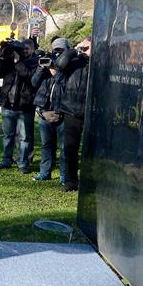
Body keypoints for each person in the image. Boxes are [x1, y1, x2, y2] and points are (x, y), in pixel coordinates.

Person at [0, 38, 38, 172]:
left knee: (24, 137)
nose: (24, 51)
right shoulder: (9, 61)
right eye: (22, 49)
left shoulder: (34, 62)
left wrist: (18, 61)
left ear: (32, 50)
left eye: (26, 49)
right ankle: (6, 159)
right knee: (8, 135)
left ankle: (23, 162)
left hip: (25, 105)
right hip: (8, 103)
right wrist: (3, 58)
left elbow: (28, 75)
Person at [53, 36, 91, 192]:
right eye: (85, 47)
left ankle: (89, 179)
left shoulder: (101, 61)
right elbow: (59, 64)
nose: (86, 51)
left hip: (91, 111)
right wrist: (73, 50)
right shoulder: (74, 61)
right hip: (71, 109)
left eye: (88, 48)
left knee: (90, 149)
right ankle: (70, 181)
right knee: (70, 148)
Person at [30, 38, 70, 182]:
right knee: (46, 144)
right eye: (55, 50)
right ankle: (45, 172)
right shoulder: (47, 62)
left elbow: (68, 86)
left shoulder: (71, 66)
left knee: (64, 146)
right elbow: (34, 83)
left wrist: (56, 71)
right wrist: (41, 68)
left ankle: (64, 175)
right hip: (45, 110)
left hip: (63, 111)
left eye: (60, 50)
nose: (57, 54)